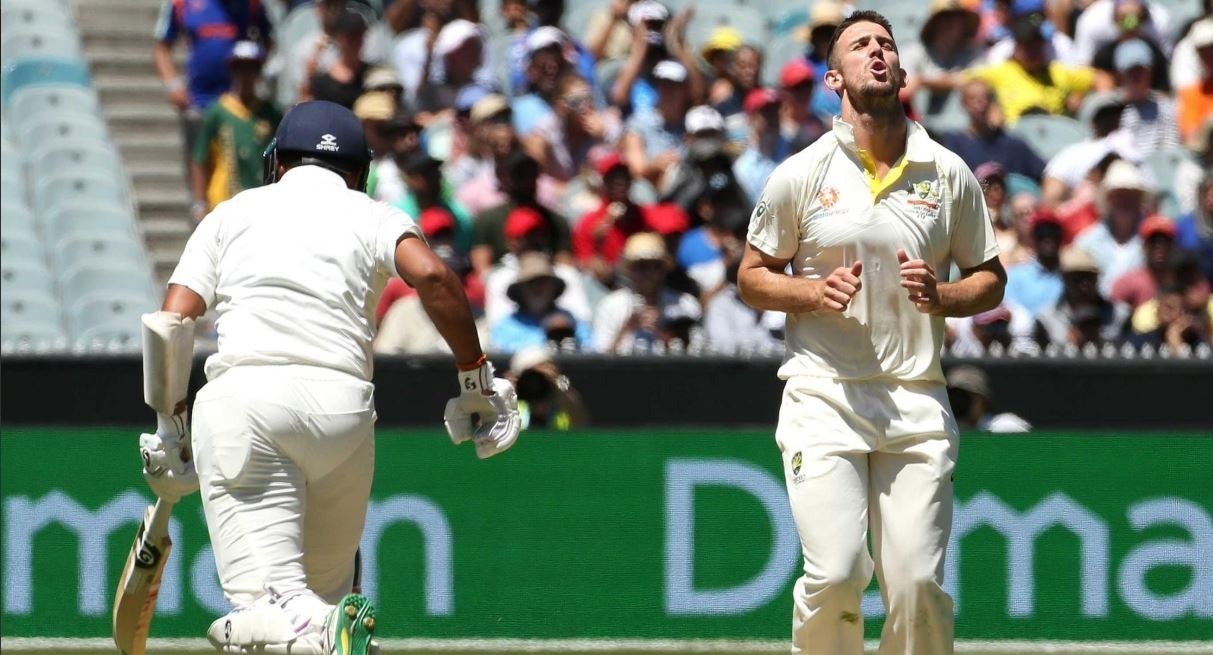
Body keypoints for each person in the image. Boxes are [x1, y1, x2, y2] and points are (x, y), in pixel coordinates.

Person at [136, 101, 519, 655]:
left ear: (278, 164)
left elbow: (172, 321)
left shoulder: (231, 214)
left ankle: (288, 623)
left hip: (249, 408)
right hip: (343, 418)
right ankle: (311, 625)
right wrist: (474, 381)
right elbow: (434, 276)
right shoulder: (375, 215)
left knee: (267, 611)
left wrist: (171, 427)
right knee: (315, 603)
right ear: (359, 173)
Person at [735, 11, 1006, 653]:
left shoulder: (947, 171)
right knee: (835, 574)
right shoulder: (799, 173)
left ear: (904, 72)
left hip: (916, 398)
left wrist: (942, 296)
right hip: (823, 395)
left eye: (886, 45)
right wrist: (810, 291)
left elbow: (990, 279)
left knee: (915, 586)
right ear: (835, 78)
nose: (877, 53)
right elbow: (751, 276)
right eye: (861, 46)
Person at [153, 0, 272, 183]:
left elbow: (268, 40)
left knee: (239, 170)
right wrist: (173, 85)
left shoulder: (251, 4)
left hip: (238, 106)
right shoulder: (181, 3)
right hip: (199, 101)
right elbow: (162, 47)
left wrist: (255, 75)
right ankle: (199, 207)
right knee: (198, 162)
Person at [191, 41, 282, 222]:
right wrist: (200, 202)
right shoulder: (217, 112)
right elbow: (200, 158)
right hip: (224, 199)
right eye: (240, 68)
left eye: (251, 69)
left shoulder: (270, 112)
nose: (245, 75)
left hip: (260, 201)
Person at [969, 12, 1093, 124]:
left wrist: (1080, 94)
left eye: (1038, 43)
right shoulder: (1000, 72)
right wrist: (991, 106)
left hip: (1054, 135)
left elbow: (1099, 78)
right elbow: (962, 80)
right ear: (1017, 47)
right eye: (1028, 46)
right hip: (1015, 136)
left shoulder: (1056, 72)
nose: (1034, 50)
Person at [593, 232, 702, 353]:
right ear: (630, 270)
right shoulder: (610, 305)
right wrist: (627, 329)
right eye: (642, 266)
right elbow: (600, 360)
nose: (650, 273)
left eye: (656, 266)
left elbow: (697, 354)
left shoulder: (685, 304)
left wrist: (662, 333)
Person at [940, 79, 1045, 181]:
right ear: (963, 104)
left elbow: (1044, 173)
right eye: (973, 98)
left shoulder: (1013, 144)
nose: (980, 104)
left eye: (985, 98)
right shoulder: (952, 143)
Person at [1074, 159, 1151, 296]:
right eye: (1119, 195)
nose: (1125, 201)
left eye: (1131, 195)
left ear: (1139, 200)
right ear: (1109, 198)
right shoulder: (1087, 241)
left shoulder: (1151, 239)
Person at [490, 251, 590, 352]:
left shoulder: (573, 322)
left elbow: (592, 355)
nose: (538, 288)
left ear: (554, 287)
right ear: (520, 290)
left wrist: (566, 336)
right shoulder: (505, 327)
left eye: (543, 282)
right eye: (531, 283)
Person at [1110, 39, 1181, 160]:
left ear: (1150, 72)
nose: (1136, 76)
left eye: (1141, 70)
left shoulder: (1165, 106)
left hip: (1159, 167)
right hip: (1123, 169)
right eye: (1131, 71)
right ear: (1120, 74)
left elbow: (1171, 148)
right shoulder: (1109, 108)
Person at [506, 347, 591, 430]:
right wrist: (506, 392)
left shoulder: (563, 405)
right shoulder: (509, 406)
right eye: (532, 375)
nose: (536, 383)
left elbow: (581, 424)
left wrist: (560, 388)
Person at [734, 88, 792, 204]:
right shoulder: (743, 168)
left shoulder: (796, 148)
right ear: (751, 118)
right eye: (766, 113)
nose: (772, 118)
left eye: (775, 111)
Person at [1004, 209, 1065, 317]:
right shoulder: (1015, 276)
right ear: (1032, 239)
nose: (1048, 239)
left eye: (1053, 233)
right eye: (1041, 234)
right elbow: (1011, 312)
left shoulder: (1069, 276)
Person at [1109, 215, 1180, 308]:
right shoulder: (1129, 283)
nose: (1159, 247)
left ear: (1173, 246)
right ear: (1144, 247)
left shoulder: (1181, 280)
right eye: (1153, 242)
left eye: (1165, 242)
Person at [945, 365, 1031, 433]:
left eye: (963, 396)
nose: (957, 401)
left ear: (982, 401)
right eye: (953, 396)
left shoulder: (1004, 428)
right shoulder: (947, 434)